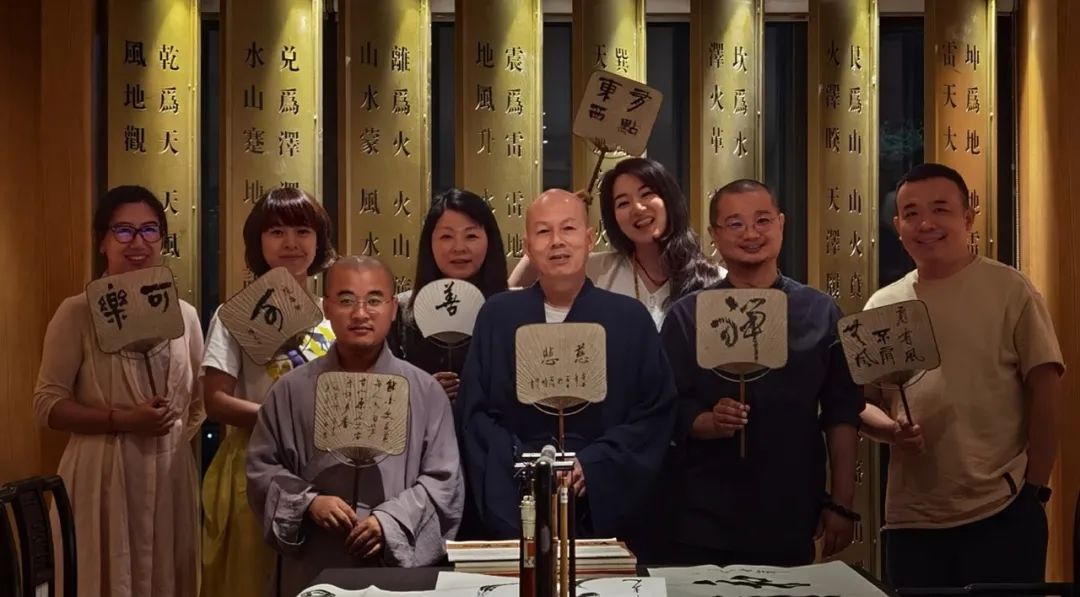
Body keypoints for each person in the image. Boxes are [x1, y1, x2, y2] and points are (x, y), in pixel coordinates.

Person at [859, 163, 1064, 590]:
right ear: (898, 226)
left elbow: (1046, 390)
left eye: (940, 209)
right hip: (911, 519)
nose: (925, 224)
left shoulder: (1010, 289)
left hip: (1002, 507)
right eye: (911, 213)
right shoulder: (883, 305)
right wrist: (891, 431)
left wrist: (1035, 490)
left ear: (968, 217)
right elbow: (862, 403)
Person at [455, 189, 676, 553]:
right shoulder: (498, 315)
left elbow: (654, 413)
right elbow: (475, 414)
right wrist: (525, 466)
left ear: (589, 239)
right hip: (517, 498)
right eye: (543, 232)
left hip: (603, 500)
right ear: (528, 245)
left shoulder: (629, 318)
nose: (557, 241)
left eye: (569, 229)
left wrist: (595, 464)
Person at [660, 179, 862, 566]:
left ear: (781, 224)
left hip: (790, 511)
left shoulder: (819, 312)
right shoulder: (688, 315)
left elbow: (842, 413)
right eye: (735, 224)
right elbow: (665, 407)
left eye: (762, 220)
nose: (751, 234)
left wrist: (841, 502)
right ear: (715, 235)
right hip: (700, 514)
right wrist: (706, 422)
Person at [247, 256, 463, 597]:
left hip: (395, 566)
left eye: (374, 300)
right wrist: (309, 503)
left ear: (393, 309)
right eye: (346, 300)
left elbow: (444, 480)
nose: (361, 313)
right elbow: (262, 469)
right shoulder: (290, 390)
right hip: (315, 558)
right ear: (326, 308)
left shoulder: (425, 391)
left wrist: (389, 522)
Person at [32, 185, 204, 596]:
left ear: (163, 239)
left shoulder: (185, 315)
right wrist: (122, 421)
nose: (137, 242)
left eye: (149, 230)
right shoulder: (76, 312)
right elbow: (47, 405)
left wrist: (166, 437)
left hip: (169, 481)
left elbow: (197, 403)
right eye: (123, 231)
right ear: (102, 241)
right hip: (101, 482)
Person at [200, 187, 337, 597]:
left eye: (302, 231)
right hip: (255, 466)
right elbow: (214, 401)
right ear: (258, 242)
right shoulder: (234, 315)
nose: (291, 243)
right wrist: (278, 420)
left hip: (325, 471)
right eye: (277, 232)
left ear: (319, 241)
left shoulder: (334, 313)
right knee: (252, 581)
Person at [509, 158, 722, 328]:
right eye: (623, 203)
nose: (637, 208)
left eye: (647, 194)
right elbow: (515, 289)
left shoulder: (715, 279)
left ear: (669, 200)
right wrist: (555, 223)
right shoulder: (598, 269)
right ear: (613, 218)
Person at [388, 188, 508, 402]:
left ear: (490, 240)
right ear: (429, 242)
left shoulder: (512, 311)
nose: (459, 247)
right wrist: (420, 391)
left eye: (471, 236)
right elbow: (383, 389)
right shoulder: (400, 312)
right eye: (446, 236)